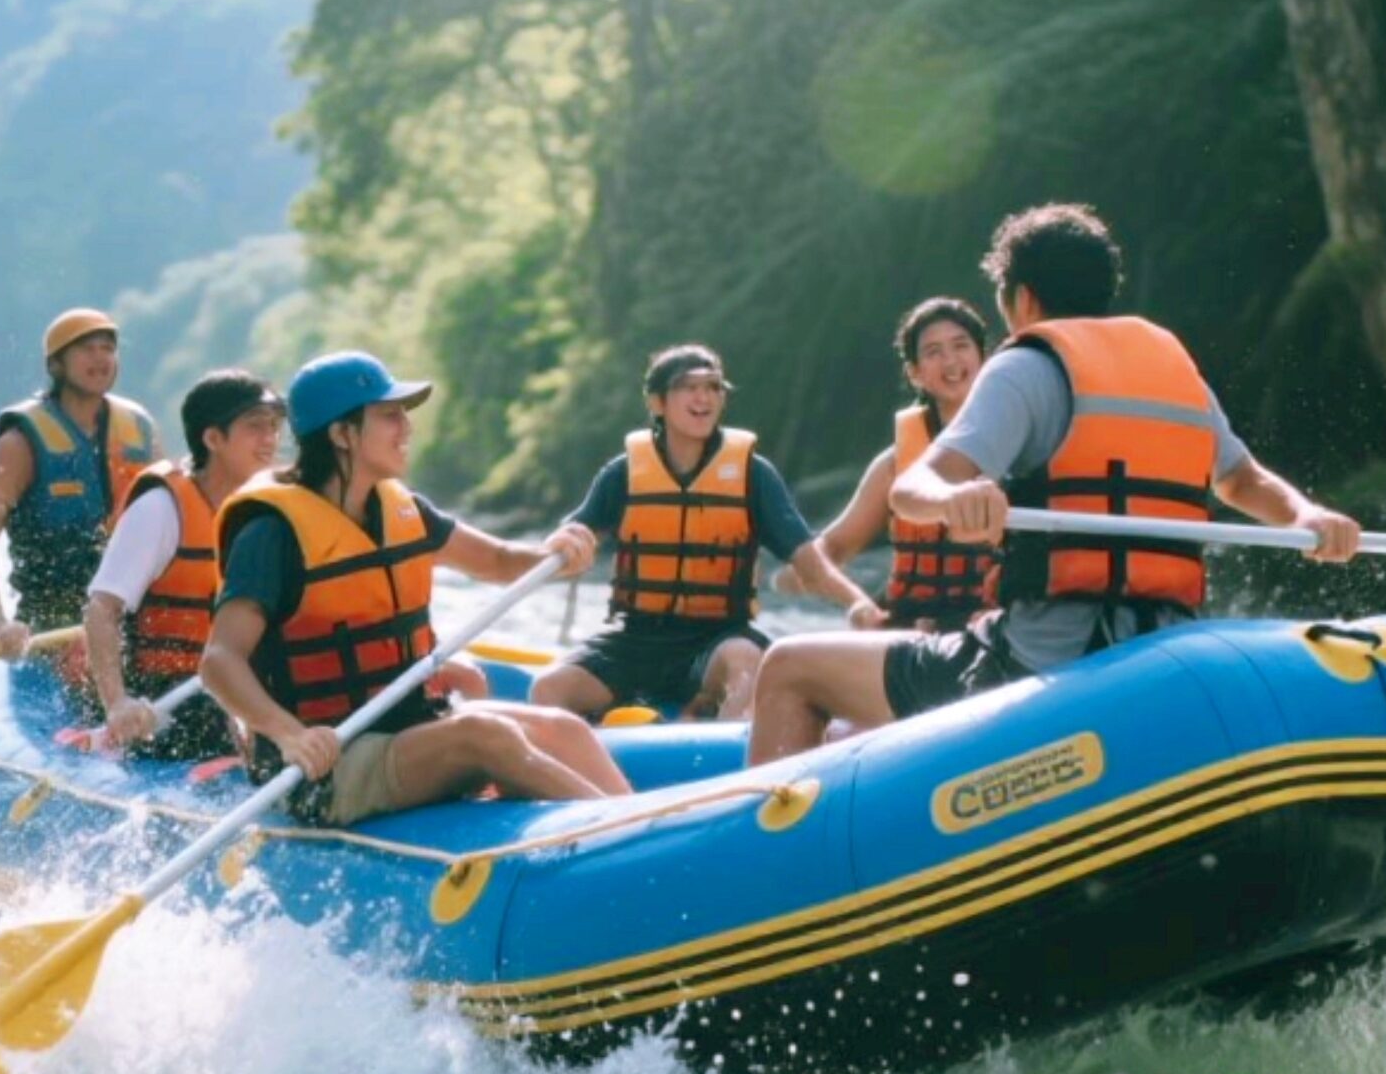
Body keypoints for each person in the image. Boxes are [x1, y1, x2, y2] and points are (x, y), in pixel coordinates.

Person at [747, 204, 1361, 763]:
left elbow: (915, 487)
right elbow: (1243, 480)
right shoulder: (1176, 373)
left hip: (1035, 661)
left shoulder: (1023, 367)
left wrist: (952, 496)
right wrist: (1306, 516)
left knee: (788, 664)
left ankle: (767, 872)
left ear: (1022, 299)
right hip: (1168, 647)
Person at [199, 352, 635, 827]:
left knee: (565, 730)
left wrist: (554, 554)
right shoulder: (271, 533)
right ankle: (620, 834)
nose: (405, 428)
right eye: (389, 416)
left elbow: (498, 561)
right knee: (484, 733)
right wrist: (289, 735)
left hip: (410, 725)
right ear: (342, 434)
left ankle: (642, 827)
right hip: (325, 761)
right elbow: (220, 661)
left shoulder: (402, 510)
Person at [530, 344, 883, 723]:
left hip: (717, 640)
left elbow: (810, 564)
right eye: (688, 387)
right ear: (657, 403)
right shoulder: (623, 473)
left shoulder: (753, 475)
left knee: (746, 663)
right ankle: (595, 760)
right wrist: (563, 540)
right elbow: (575, 535)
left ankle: (729, 759)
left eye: (714, 387)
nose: (704, 397)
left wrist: (858, 604)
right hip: (637, 640)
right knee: (549, 688)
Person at [84, 370, 286, 757]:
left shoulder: (269, 512)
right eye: (256, 428)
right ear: (213, 439)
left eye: (274, 428)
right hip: (165, 695)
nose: (270, 440)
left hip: (237, 686)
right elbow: (101, 610)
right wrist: (117, 703)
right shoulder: (160, 510)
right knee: (204, 716)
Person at [787, 296, 1001, 633]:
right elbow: (835, 546)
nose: (950, 361)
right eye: (933, 352)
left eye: (961, 346)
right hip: (909, 624)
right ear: (915, 373)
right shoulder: (896, 464)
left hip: (989, 625)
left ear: (984, 359)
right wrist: (855, 601)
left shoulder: (1020, 446)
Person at [0, 308, 161, 657]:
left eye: (108, 348)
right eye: (87, 349)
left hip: (132, 627)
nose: (100, 358)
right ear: (56, 365)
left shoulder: (140, 431)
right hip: (50, 628)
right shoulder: (19, 444)